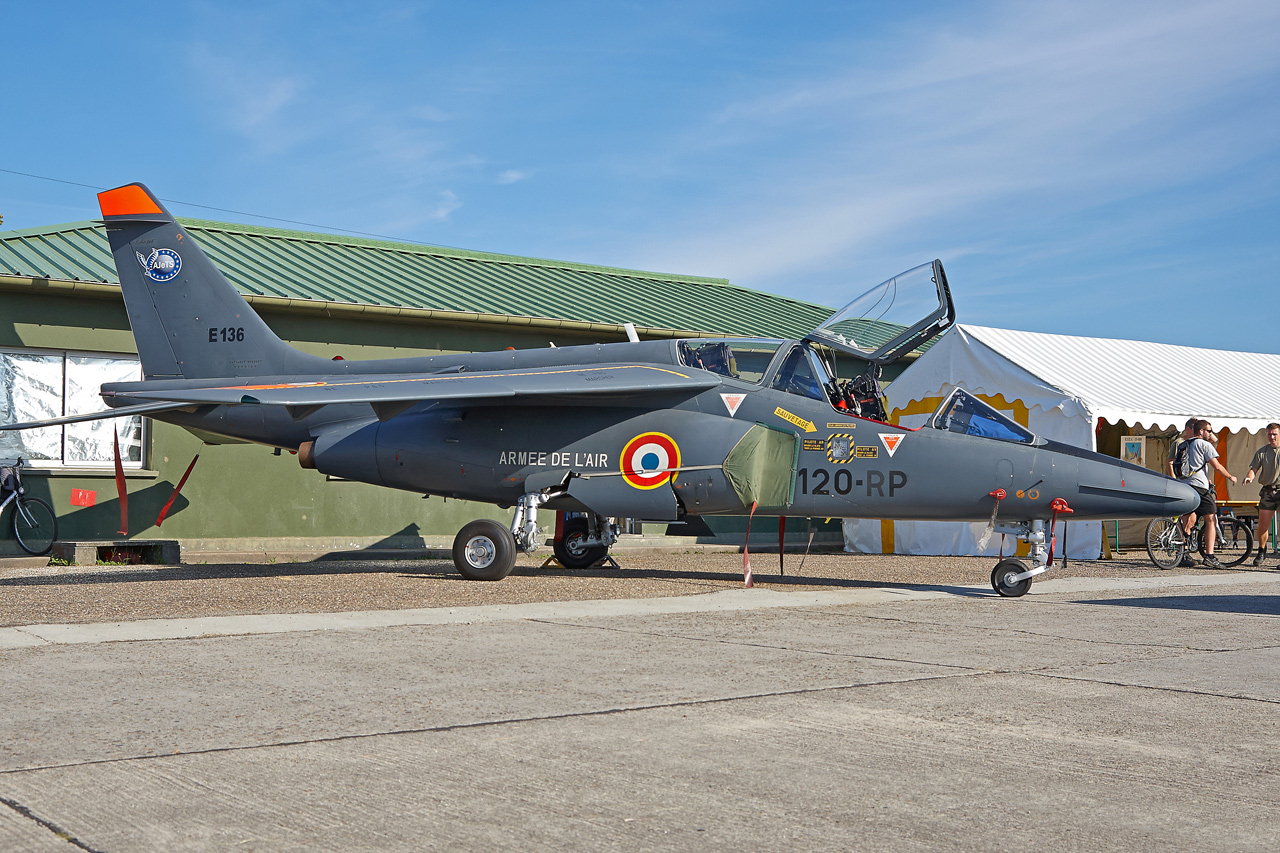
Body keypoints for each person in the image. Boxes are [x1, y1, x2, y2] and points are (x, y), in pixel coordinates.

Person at [1179, 419, 1239, 568]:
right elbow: (1217, 466)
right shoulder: (1204, 445)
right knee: (1211, 520)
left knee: (1187, 519)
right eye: (1209, 431)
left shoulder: (1184, 444)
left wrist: (1208, 432)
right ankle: (1210, 556)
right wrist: (1230, 476)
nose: (1212, 434)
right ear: (1201, 431)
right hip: (1199, 487)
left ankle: (1182, 553)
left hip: (1185, 485)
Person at [1244, 422, 1280, 567]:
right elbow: (1254, 469)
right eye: (1269, 434)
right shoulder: (1262, 452)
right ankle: (1262, 550)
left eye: (1274, 434)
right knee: (1263, 525)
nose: (1272, 437)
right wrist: (1249, 477)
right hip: (1268, 491)